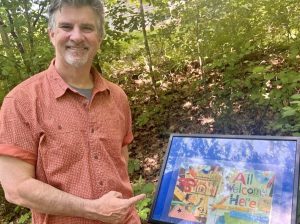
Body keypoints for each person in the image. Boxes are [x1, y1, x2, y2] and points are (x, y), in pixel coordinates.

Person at [0, 0, 145, 223]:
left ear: (99, 37)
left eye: (87, 28)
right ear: (51, 34)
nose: (77, 36)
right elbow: (16, 188)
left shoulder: (117, 97)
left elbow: (120, 162)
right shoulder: (21, 101)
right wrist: (93, 209)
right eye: (67, 27)